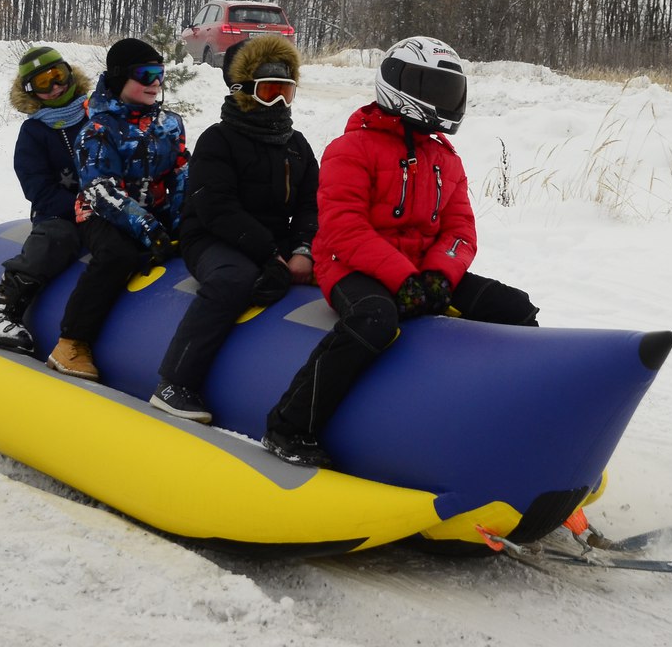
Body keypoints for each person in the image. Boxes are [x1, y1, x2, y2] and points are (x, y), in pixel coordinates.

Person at [263, 36, 540, 467]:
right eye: (433, 88)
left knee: (515, 308)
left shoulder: (445, 158)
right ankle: (289, 424)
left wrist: (436, 276)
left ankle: (523, 421)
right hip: (350, 266)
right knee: (375, 318)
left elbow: (460, 230)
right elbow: (343, 228)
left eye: (449, 90)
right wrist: (403, 279)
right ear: (398, 85)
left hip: (422, 271)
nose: (444, 101)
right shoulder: (350, 149)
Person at [150, 35, 319, 423]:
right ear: (245, 92)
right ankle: (174, 381)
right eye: (268, 92)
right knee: (234, 279)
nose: (278, 102)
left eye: (286, 92)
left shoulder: (297, 146)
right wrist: (268, 254)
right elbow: (215, 207)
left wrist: (302, 249)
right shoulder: (219, 139)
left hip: (272, 242)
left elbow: (313, 203)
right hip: (212, 237)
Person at [46, 38, 189, 381]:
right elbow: (100, 188)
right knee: (117, 254)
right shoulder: (98, 129)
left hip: (153, 210)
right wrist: (148, 227)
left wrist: (185, 220)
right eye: (145, 74)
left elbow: (182, 171)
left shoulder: (169, 125)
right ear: (120, 78)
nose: (155, 83)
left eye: (160, 74)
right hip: (102, 211)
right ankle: (71, 341)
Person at [0, 46, 93, 353]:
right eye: (44, 83)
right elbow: (38, 189)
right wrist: (80, 206)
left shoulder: (97, 112)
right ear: (31, 91)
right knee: (57, 237)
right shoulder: (34, 132)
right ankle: (1, 310)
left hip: (111, 208)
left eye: (58, 76)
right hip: (60, 214)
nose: (56, 87)